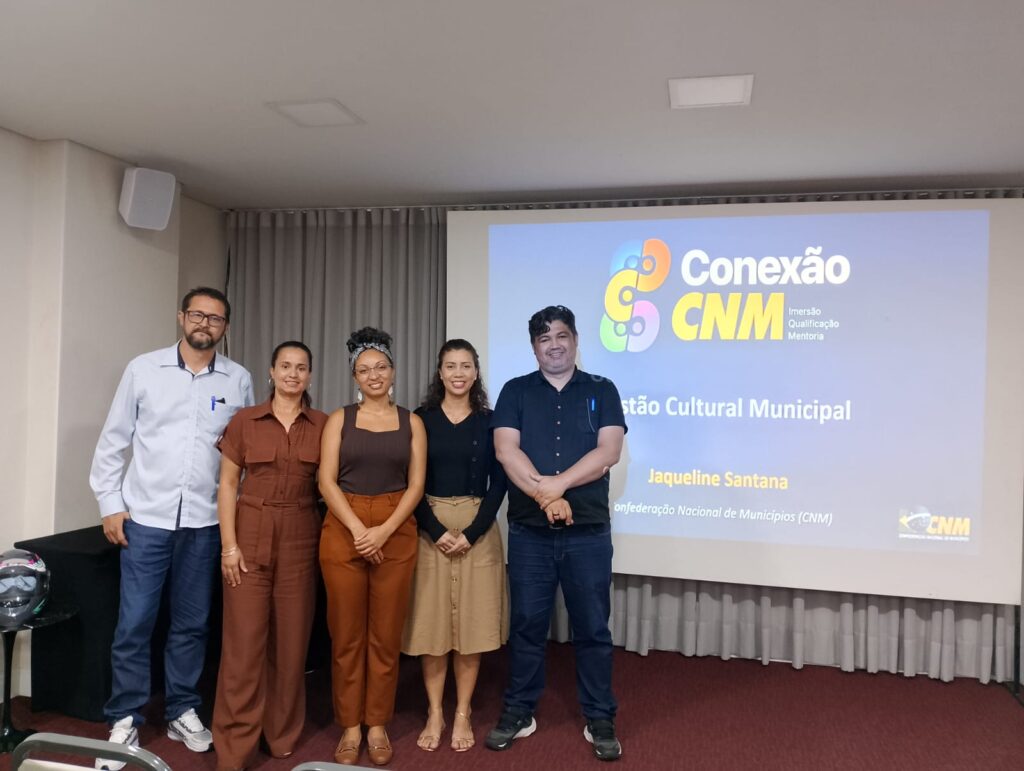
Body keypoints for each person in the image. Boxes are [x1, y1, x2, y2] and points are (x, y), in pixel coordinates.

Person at [89, 287, 254, 770]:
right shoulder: (144, 369)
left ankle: (182, 708)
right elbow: (113, 439)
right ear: (182, 317)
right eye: (198, 315)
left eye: (215, 318)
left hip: (205, 523)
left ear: (225, 327)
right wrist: (110, 504)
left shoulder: (238, 379)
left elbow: (242, 455)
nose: (205, 324)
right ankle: (124, 717)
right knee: (134, 624)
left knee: (191, 624)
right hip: (146, 520)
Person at [484, 305, 627, 762]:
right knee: (527, 626)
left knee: (593, 629)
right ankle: (519, 710)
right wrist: (547, 499)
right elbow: (506, 451)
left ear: (576, 340)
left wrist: (557, 485)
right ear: (534, 348)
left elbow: (609, 451)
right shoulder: (515, 391)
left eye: (561, 336)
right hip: (530, 534)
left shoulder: (602, 389)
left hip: (588, 532)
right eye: (544, 339)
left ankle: (599, 716)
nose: (554, 345)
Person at [211, 341, 328, 771]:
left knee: (291, 646)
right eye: (285, 366)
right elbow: (228, 485)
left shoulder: (324, 425)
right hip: (249, 535)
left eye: (301, 368)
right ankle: (235, 746)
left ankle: (280, 734)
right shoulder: (245, 421)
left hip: (301, 536)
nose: (293, 374)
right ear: (272, 372)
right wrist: (229, 546)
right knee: (243, 647)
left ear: (310, 375)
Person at [318, 327, 427, 766]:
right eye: (364, 370)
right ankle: (349, 725)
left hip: (395, 527)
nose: (374, 375)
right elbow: (326, 480)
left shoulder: (412, 422)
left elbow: (416, 485)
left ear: (393, 371)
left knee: (385, 635)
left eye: (380, 367)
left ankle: (377, 723)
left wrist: (382, 532)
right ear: (354, 377)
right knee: (346, 636)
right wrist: (359, 530)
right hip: (343, 526)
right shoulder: (338, 419)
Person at [402, 339, 508, 753]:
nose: (458, 373)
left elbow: (499, 483)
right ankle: (435, 711)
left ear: (476, 372)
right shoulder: (421, 419)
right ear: (440, 372)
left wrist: (474, 531)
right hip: (429, 526)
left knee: (472, 628)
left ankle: (462, 711)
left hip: (478, 529)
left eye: (466, 366)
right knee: (432, 627)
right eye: (451, 366)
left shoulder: (491, 421)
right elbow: (410, 480)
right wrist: (433, 528)